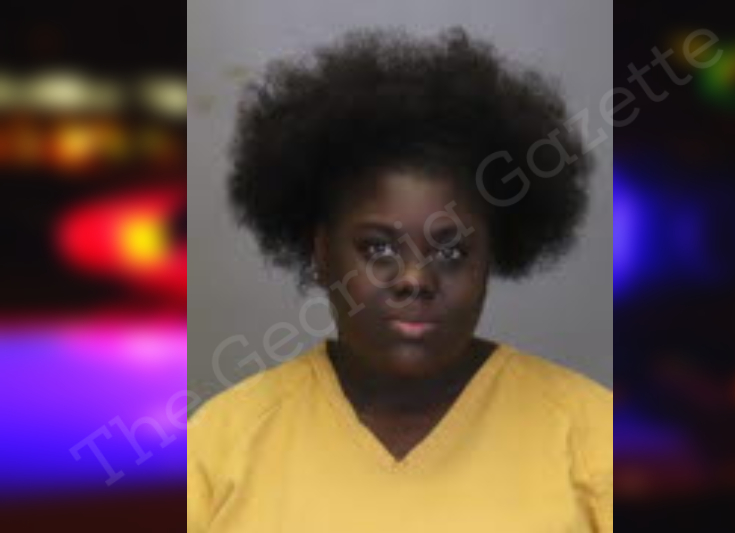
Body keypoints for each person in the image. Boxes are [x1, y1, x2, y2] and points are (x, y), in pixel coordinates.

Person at [188, 27, 611, 532]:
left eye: (451, 251)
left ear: (491, 257)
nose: (415, 279)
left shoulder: (593, 437)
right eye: (379, 248)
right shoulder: (219, 444)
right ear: (321, 252)